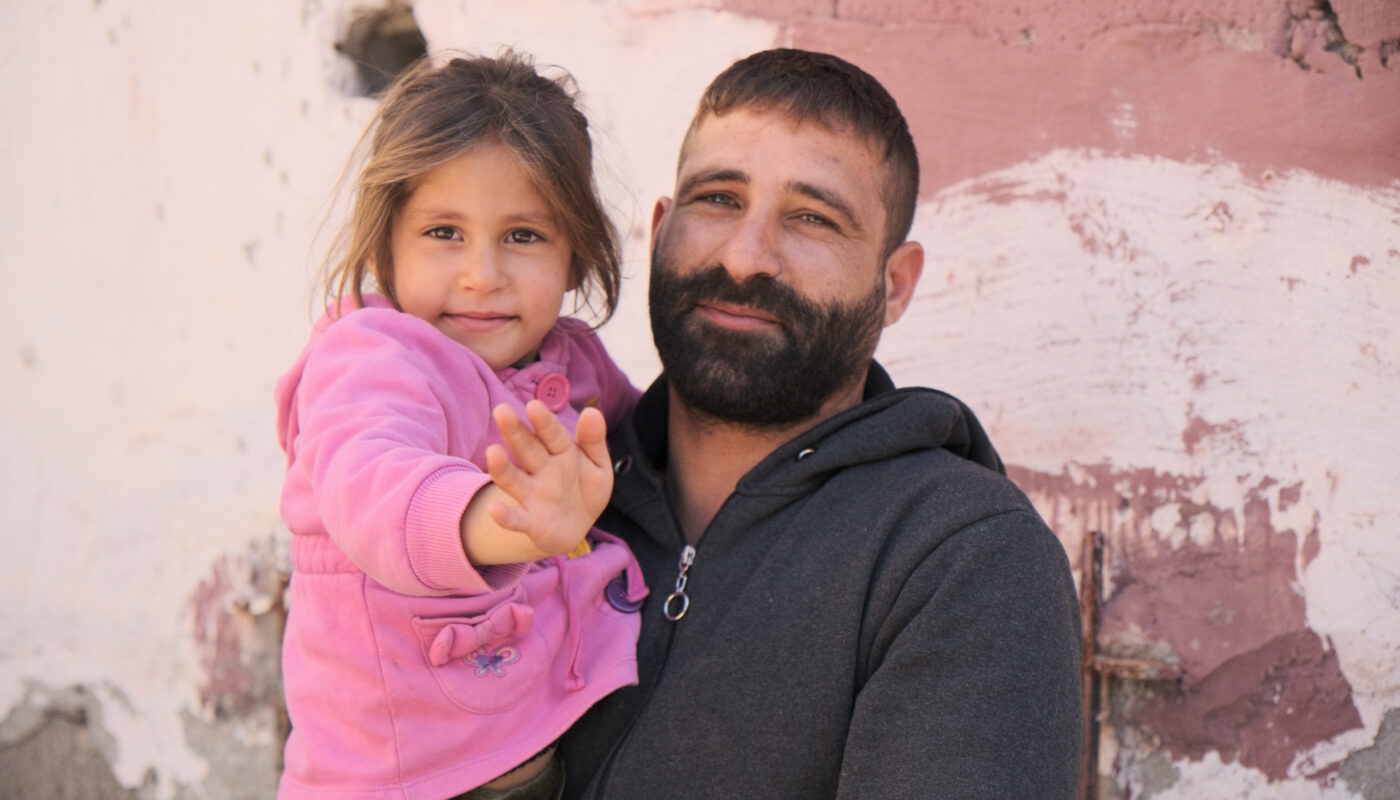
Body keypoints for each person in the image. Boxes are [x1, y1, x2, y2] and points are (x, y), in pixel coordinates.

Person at [555, 48, 1084, 798]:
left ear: (893, 284)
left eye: (812, 218)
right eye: (718, 200)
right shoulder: (540, 496)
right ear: (661, 229)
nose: (746, 258)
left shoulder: (962, 558)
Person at [273, 52, 647, 799]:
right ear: (385, 249)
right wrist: (510, 522)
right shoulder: (373, 359)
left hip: (535, 756)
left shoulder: (574, 362)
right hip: (394, 780)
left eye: (524, 237)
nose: (482, 274)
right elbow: (375, 488)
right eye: (444, 233)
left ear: (576, 257)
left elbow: (654, 448)